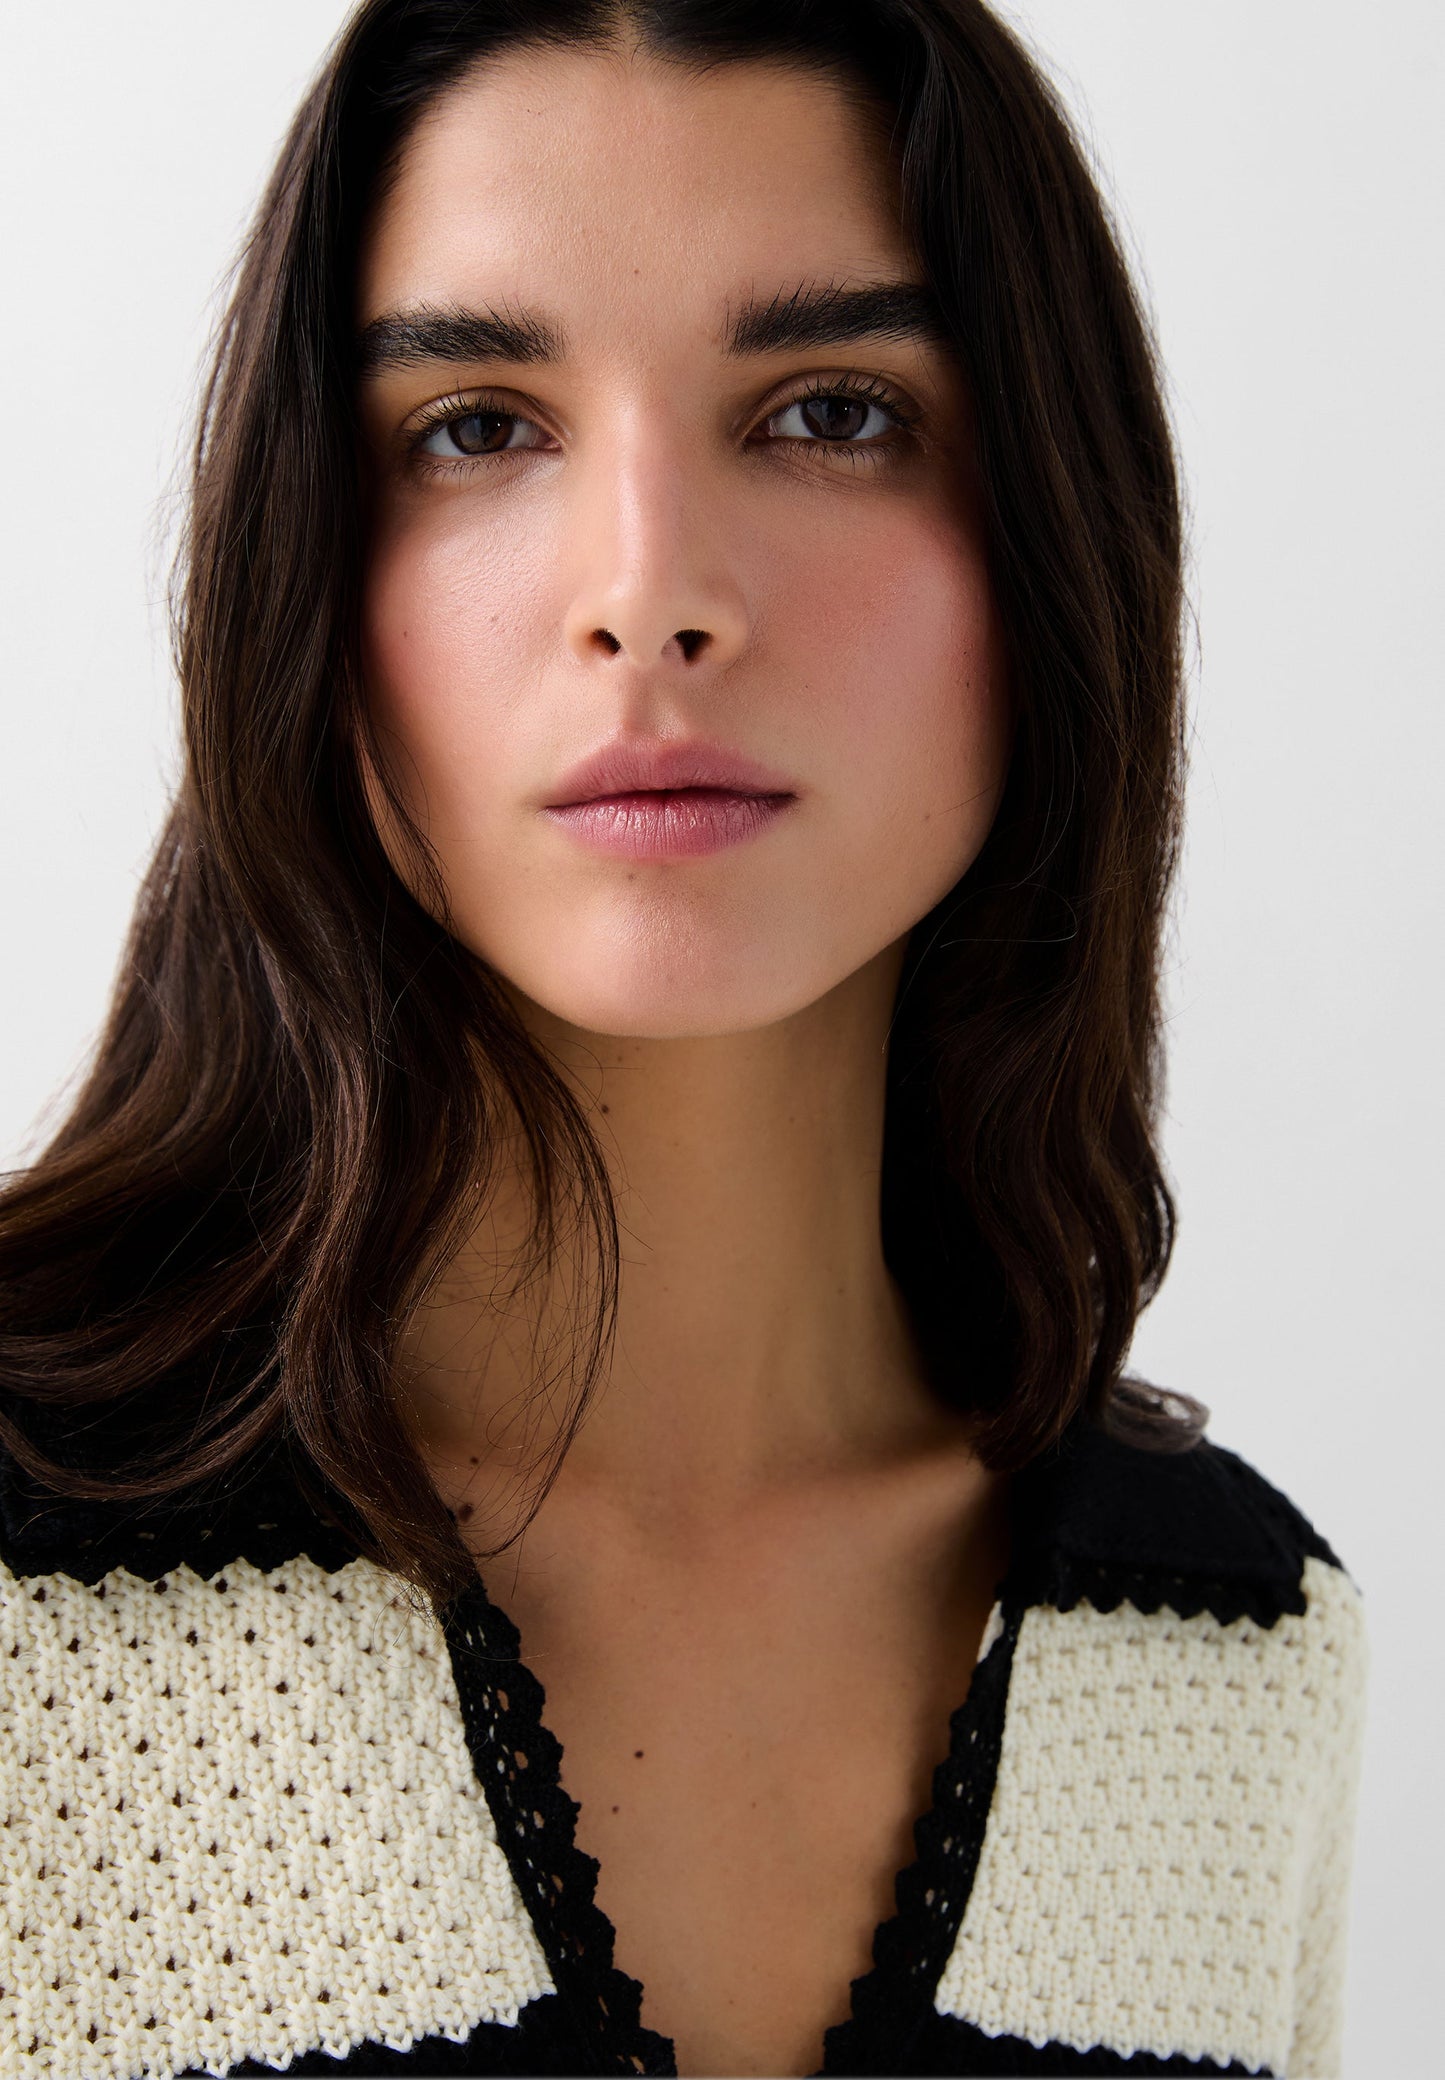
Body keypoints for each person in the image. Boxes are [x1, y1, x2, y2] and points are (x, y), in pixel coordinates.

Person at [0, 3, 1366, 2076]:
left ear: (1052, 538)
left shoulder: (1242, 1646)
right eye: (477, 426)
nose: (648, 592)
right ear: (303, 571)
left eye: (829, 411)